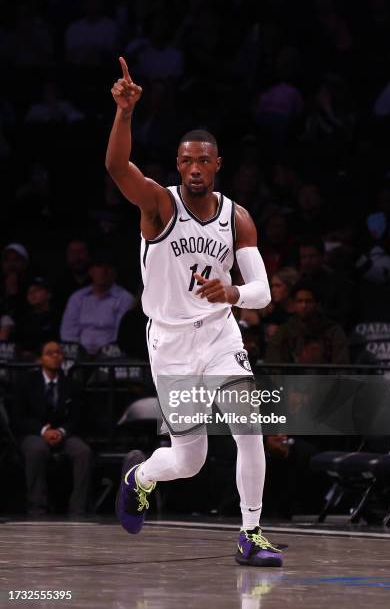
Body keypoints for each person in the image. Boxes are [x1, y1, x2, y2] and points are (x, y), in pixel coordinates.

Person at [105, 56, 283, 567]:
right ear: (178, 166)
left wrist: (231, 295)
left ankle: (251, 532)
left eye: (204, 160)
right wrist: (124, 114)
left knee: (250, 424)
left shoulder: (237, 218)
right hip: (170, 341)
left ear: (217, 165)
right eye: (187, 161)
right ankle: (138, 477)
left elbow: (264, 292)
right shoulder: (159, 205)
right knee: (189, 460)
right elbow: (118, 168)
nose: (196, 168)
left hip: (219, 333)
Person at [13, 340, 93, 516]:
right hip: (35, 433)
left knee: (82, 451)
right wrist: (43, 431)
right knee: (36, 449)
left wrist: (61, 431)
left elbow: (78, 418)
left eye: (59, 352)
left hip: (63, 433)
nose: (56, 356)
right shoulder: (26, 382)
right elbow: (19, 417)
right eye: (50, 353)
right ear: (41, 358)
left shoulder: (71, 384)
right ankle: (37, 506)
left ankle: (78, 507)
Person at [60, 251, 134, 355]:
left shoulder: (125, 298)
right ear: (91, 271)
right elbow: (68, 332)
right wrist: (78, 353)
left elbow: (121, 335)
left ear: (114, 272)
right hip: (79, 355)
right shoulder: (77, 297)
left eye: (108, 267)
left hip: (112, 355)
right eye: (99, 266)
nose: (103, 271)